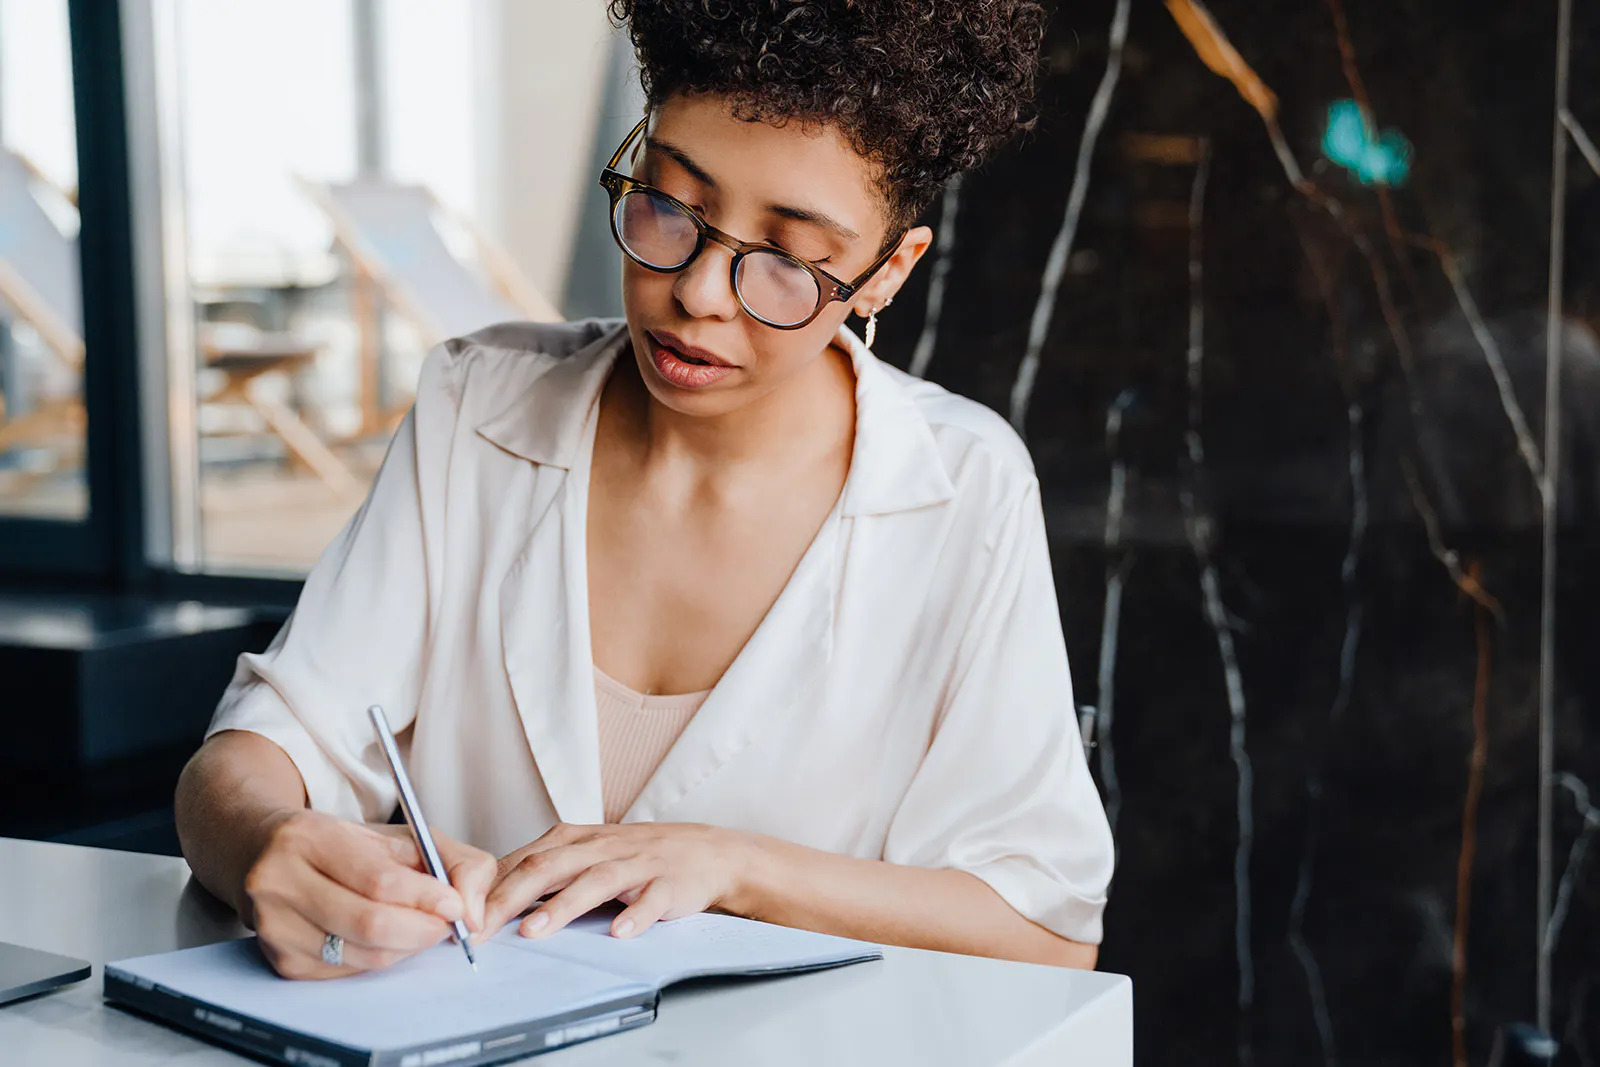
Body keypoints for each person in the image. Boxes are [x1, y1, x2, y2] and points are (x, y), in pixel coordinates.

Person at [175, 0, 1113, 981]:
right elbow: (243, 762)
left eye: (788, 259)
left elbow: (1044, 929)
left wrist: (732, 864)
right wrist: (267, 844)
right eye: (669, 205)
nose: (700, 292)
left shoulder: (960, 486)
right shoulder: (478, 407)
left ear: (885, 272)